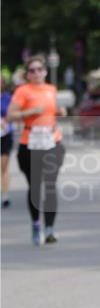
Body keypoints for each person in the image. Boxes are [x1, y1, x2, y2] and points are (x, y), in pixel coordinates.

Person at [7, 54, 67, 245]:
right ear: (27, 74)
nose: (36, 73)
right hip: (30, 143)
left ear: (45, 72)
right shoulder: (23, 91)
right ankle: (35, 225)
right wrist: (30, 112)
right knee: (35, 187)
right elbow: (10, 115)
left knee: (50, 185)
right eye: (32, 70)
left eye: (39, 69)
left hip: (52, 141)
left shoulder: (51, 89)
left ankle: (49, 229)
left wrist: (60, 112)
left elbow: (52, 110)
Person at [1, 74, 14, 207]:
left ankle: (5, 195)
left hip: (5, 135)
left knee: (3, 166)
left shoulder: (8, 98)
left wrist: (6, 121)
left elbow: (13, 113)